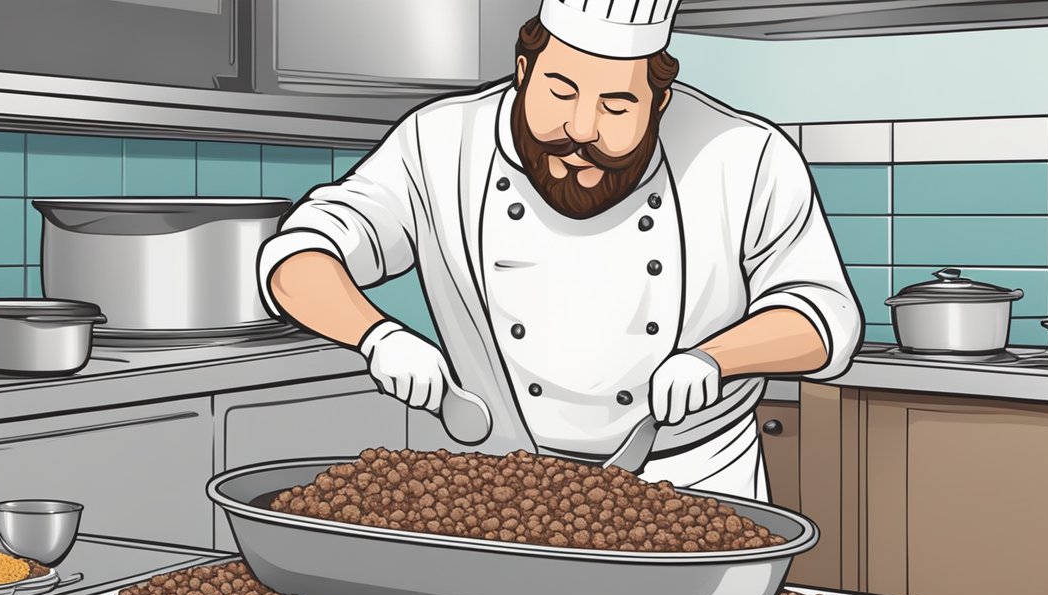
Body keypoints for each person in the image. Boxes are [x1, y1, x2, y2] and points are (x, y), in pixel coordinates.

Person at [257, 0, 863, 502]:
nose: (581, 128)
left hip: (694, 484)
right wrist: (376, 335)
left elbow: (823, 318)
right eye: (560, 91)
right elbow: (302, 255)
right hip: (502, 488)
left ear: (661, 101)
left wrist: (713, 359)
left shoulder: (744, 156)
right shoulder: (440, 143)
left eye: (617, 106)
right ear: (523, 69)